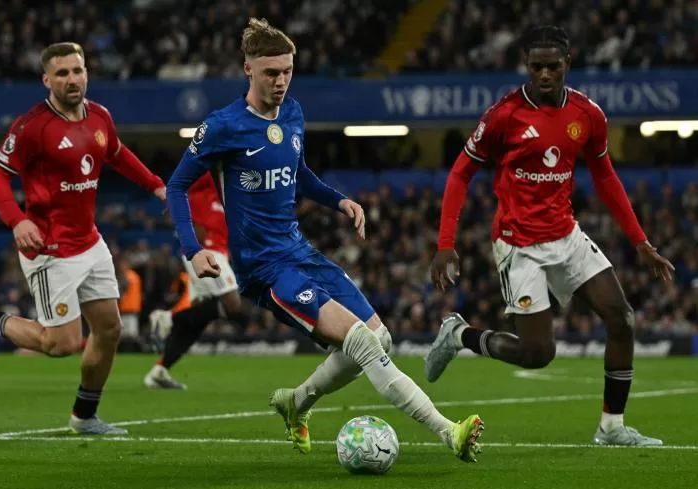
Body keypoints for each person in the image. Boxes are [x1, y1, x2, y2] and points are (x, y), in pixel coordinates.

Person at [166, 18, 484, 461]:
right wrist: (194, 249)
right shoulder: (223, 126)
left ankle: (296, 403)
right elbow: (177, 186)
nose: (280, 81)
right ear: (248, 69)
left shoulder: (293, 113)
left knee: (381, 339)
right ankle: (448, 431)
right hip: (265, 268)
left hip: (300, 251)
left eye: (287, 71)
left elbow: (297, 173)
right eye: (270, 73)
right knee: (361, 343)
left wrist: (339, 201)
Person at [425, 26, 674, 447]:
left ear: (567, 65)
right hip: (518, 244)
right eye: (536, 66)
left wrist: (641, 242)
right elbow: (460, 173)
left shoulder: (588, 115)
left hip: (566, 235)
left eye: (552, 67)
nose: (544, 74)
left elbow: (606, 178)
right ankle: (459, 335)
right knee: (538, 354)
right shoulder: (504, 115)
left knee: (622, 318)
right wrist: (445, 243)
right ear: (526, 65)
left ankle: (612, 428)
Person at [0, 42, 166, 434]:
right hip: (50, 250)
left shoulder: (100, 116)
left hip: (90, 242)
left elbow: (118, 154)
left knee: (109, 330)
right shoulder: (32, 126)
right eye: (62, 73)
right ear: (47, 80)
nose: (72, 79)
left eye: (77, 71)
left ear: (86, 73)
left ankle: (84, 417)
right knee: (61, 344)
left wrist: (156, 186)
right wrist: (17, 221)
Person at [144, 172, 250, 390]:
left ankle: (160, 370)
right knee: (233, 304)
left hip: (217, 252)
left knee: (196, 322)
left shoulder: (226, 194)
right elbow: (179, 187)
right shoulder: (202, 186)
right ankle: (168, 318)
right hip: (205, 253)